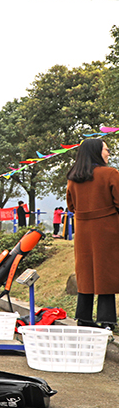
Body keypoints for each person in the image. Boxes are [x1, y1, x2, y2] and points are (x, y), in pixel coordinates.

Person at [66, 138, 119, 330]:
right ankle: (107, 320)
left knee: (86, 273)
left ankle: (84, 318)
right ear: (97, 152)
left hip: (83, 231)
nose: (108, 153)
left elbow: (71, 206)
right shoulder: (111, 174)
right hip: (107, 231)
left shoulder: (73, 178)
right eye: (106, 150)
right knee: (105, 274)